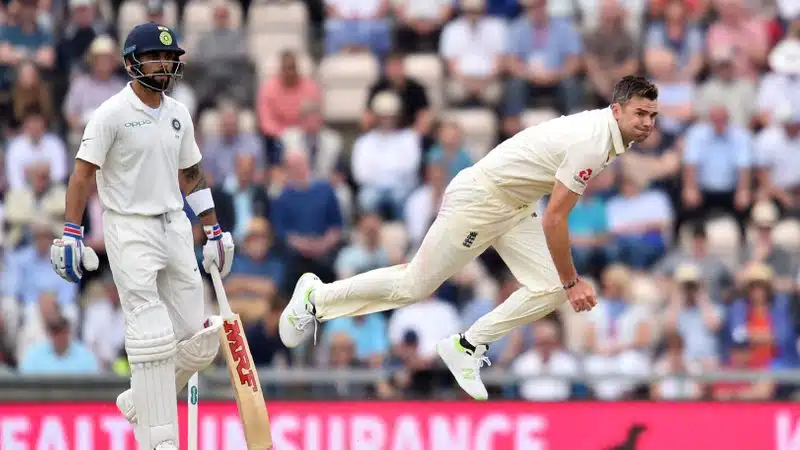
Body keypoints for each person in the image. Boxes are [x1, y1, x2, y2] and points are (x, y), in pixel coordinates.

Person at [279, 76, 659, 400]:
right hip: (482, 201)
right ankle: (315, 298)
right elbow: (555, 219)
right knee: (414, 286)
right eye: (640, 113)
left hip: (515, 204)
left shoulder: (604, 134)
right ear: (616, 110)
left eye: (652, 116)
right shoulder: (593, 141)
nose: (647, 123)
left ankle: (467, 345)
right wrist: (574, 282)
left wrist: (565, 283)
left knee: (549, 287)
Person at [48, 23, 235, 450]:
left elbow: (191, 175)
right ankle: (158, 440)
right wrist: (72, 233)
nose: (165, 64)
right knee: (151, 335)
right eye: (156, 57)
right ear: (133, 62)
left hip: (174, 223)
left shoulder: (179, 112)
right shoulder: (110, 113)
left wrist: (213, 229)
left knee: (198, 341)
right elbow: (82, 175)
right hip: (129, 226)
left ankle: (139, 400)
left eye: (170, 58)